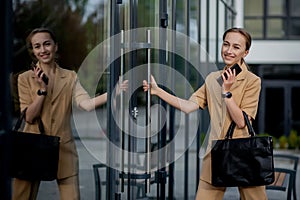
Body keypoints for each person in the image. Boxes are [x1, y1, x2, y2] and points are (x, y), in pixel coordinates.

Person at [143, 27, 267, 200]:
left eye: (236, 47)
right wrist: (158, 92)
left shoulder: (253, 81)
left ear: (245, 52)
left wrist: (227, 93)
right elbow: (188, 106)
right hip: (215, 152)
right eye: (226, 44)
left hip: (244, 152)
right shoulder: (212, 78)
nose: (229, 51)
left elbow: (241, 122)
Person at [13, 27, 127, 200]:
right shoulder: (25, 79)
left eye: (46, 44)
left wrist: (113, 92)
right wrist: (42, 90)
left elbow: (86, 105)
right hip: (31, 148)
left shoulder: (70, 77)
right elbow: (29, 117)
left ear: (55, 46)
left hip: (63, 149)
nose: (43, 50)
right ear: (33, 51)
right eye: (37, 46)